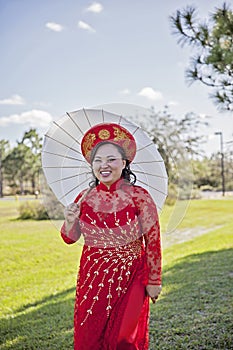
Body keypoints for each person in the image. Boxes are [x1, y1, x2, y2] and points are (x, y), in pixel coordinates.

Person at [60, 123, 162, 350]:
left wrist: (154, 280)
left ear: (124, 163)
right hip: (93, 277)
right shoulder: (84, 197)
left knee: (125, 338)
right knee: (90, 336)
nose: (103, 165)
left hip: (132, 275)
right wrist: (69, 220)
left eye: (111, 159)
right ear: (92, 165)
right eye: (98, 160)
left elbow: (153, 240)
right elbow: (70, 238)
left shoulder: (140, 197)